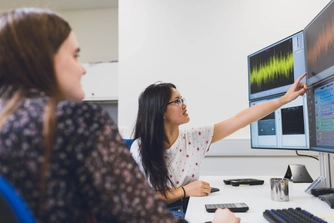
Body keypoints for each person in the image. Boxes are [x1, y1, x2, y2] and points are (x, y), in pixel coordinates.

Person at [0, 7, 241, 223]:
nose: (83, 68)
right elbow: (142, 216)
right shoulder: (77, 121)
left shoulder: (8, 126)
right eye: (75, 56)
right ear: (41, 61)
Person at [130, 74, 308, 216]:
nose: (184, 105)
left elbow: (240, 119)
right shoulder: (140, 148)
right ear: (160, 111)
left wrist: (284, 99)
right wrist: (184, 191)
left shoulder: (195, 137)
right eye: (177, 101)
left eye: (182, 99)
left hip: (189, 207)